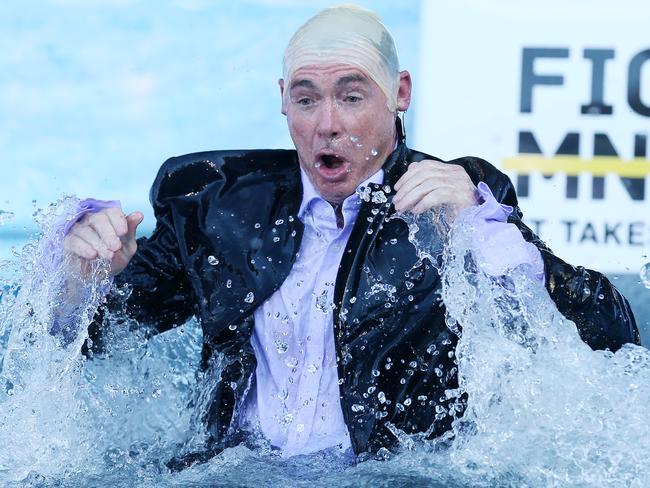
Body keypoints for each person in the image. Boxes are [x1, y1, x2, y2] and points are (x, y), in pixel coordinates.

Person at [61, 5, 638, 468]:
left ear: (401, 93)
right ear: (282, 101)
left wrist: (481, 230)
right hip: (236, 470)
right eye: (306, 98)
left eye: (352, 96)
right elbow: (95, 340)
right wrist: (80, 279)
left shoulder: (458, 196)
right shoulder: (221, 206)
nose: (326, 123)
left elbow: (607, 334)